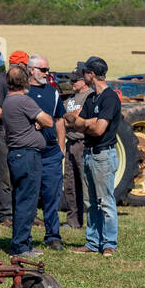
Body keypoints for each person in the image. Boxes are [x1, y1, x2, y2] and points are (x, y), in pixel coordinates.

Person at [64, 56, 121, 256]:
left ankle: (109, 244)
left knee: (105, 201)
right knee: (91, 202)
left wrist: (85, 123)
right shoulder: (91, 98)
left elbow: (98, 130)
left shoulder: (109, 98)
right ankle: (92, 242)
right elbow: (71, 121)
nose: (82, 75)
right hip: (89, 153)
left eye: (85, 72)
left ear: (92, 74)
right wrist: (87, 123)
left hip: (103, 155)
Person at [2, 64, 52, 258]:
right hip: (28, 156)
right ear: (24, 81)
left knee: (20, 200)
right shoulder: (24, 101)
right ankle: (21, 246)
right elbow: (48, 120)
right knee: (27, 202)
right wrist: (38, 121)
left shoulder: (7, 102)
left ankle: (22, 242)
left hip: (16, 154)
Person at [27, 54, 66, 250]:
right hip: (30, 153)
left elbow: (59, 120)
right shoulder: (22, 92)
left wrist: (61, 147)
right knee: (28, 199)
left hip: (51, 154)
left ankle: (53, 236)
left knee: (52, 196)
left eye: (48, 69)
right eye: (43, 70)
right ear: (31, 70)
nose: (47, 73)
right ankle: (24, 238)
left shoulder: (53, 92)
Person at [0, 50, 31, 224]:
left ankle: (22, 213)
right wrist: (17, 111)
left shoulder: (21, 83)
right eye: (26, 66)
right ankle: (5, 214)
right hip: (1, 133)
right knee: (4, 175)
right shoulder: (0, 82)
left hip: (17, 134)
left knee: (20, 174)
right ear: (19, 65)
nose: (27, 70)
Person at [61, 64, 89, 230]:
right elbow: (63, 120)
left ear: (83, 80)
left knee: (86, 183)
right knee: (70, 184)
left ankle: (91, 220)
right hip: (70, 143)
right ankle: (73, 221)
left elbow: (78, 118)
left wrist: (70, 118)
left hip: (83, 143)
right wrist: (71, 117)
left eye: (75, 80)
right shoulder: (70, 99)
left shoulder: (89, 96)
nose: (72, 83)